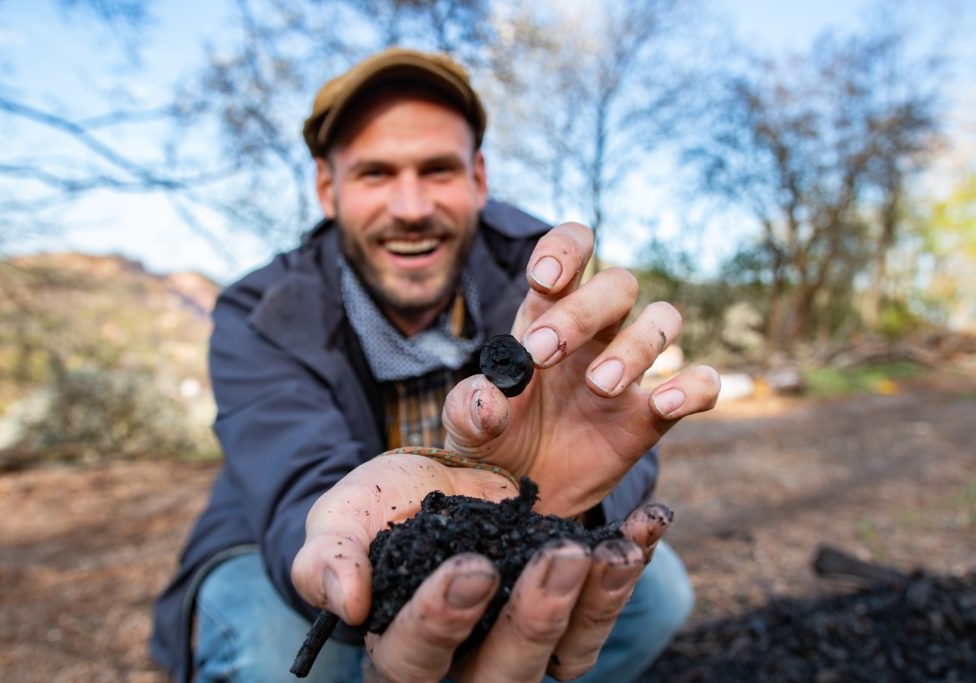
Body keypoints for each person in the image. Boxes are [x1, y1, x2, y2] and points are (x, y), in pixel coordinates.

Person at [150, 47, 720, 683]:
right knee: (276, 658)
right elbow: (294, 478)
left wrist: (559, 509)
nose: (412, 206)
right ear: (326, 188)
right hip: (276, 539)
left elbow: (614, 426)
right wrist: (368, 554)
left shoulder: (539, 274)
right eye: (375, 174)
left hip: (499, 527)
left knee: (656, 593)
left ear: (479, 177)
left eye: (438, 170)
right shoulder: (262, 311)